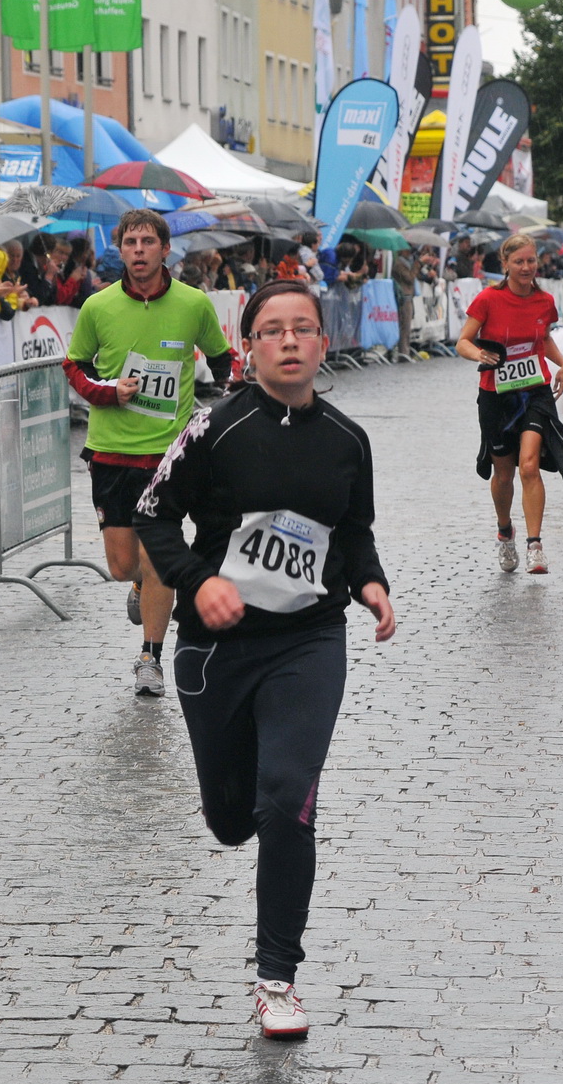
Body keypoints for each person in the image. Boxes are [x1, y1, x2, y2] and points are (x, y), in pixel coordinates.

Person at [131, 279, 395, 1041]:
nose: (288, 341)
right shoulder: (213, 428)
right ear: (247, 347)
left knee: (286, 795)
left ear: (322, 342)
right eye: (271, 330)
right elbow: (152, 515)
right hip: (215, 649)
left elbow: (352, 530)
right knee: (228, 819)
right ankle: (240, 805)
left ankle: (276, 974)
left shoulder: (347, 439)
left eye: (302, 328)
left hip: (308, 639)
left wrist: (371, 583)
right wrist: (198, 581)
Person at [62, 208, 234, 695]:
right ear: (120, 250)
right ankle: (140, 584)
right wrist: (107, 392)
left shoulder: (193, 303)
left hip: (168, 454)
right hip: (111, 451)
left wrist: (230, 402)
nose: (138, 251)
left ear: (164, 249)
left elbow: (223, 360)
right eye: (130, 243)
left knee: (160, 555)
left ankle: (150, 658)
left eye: (147, 242)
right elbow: (74, 367)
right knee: (123, 565)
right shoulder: (98, 307)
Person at [454, 233, 563, 573]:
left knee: (530, 464)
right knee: (503, 473)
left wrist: (562, 362)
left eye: (531, 261)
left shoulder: (545, 300)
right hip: (496, 395)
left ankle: (535, 545)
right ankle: (505, 530)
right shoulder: (488, 300)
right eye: (518, 262)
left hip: (535, 389)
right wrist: (479, 353)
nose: (525, 268)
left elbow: (543, 337)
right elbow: (462, 341)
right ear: (504, 264)